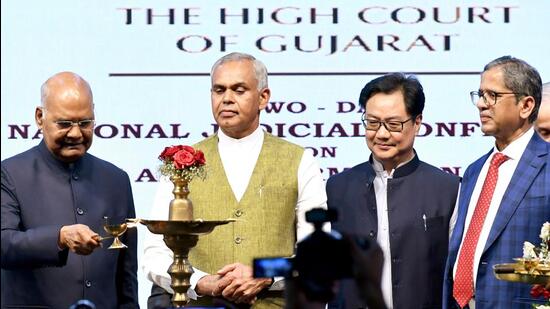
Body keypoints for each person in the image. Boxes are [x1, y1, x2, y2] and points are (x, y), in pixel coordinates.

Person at [142, 52, 327, 308]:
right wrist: (200, 281)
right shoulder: (180, 163)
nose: (227, 99)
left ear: (263, 97)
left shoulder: (299, 160)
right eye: (219, 90)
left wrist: (265, 273)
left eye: (239, 90)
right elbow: (154, 253)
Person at [1, 72, 139, 308]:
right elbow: (4, 244)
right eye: (64, 124)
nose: (76, 133)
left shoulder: (117, 179)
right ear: (39, 117)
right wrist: (60, 237)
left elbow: (126, 274)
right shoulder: (9, 174)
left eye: (85, 123)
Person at [326, 73, 460, 309]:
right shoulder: (337, 187)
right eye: (373, 122)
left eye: (394, 124)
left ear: (417, 123)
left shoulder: (448, 188)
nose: (382, 134)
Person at [443, 56, 550, 309]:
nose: (481, 104)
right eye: (480, 94)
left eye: (492, 95)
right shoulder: (474, 170)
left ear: (525, 106)